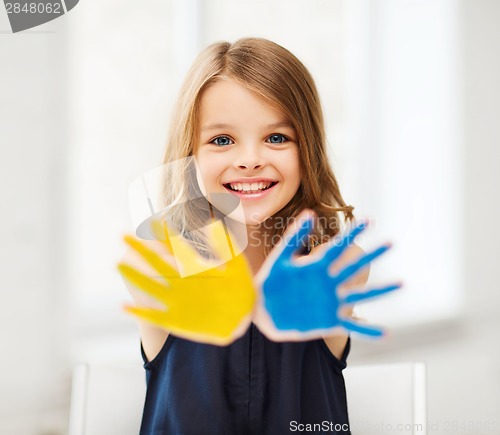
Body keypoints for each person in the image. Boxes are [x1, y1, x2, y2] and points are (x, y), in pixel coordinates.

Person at [126, 37, 374, 435]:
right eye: (221, 140)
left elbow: (343, 268)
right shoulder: (160, 261)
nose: (249, 159)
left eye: (276, 138)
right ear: (190, 152)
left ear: (306, 149)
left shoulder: (333, 268)